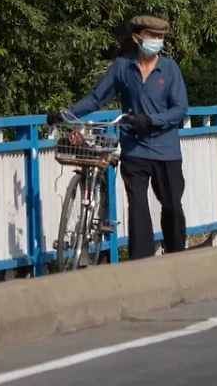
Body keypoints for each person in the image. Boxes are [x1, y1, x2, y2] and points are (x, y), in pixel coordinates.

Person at [47, 15, 189, 259]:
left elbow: (180, 109)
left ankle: (177, 257)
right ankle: (141, 264)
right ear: (137, 37)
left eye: (160, 37)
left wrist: (152, 120)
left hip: (166, 150)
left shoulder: (170, 69)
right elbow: (96, 98)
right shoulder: (122, 67)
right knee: (138, 209)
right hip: (135, 148)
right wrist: (65, 114)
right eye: (152, 36)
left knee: (172, 206)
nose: (156, 41)